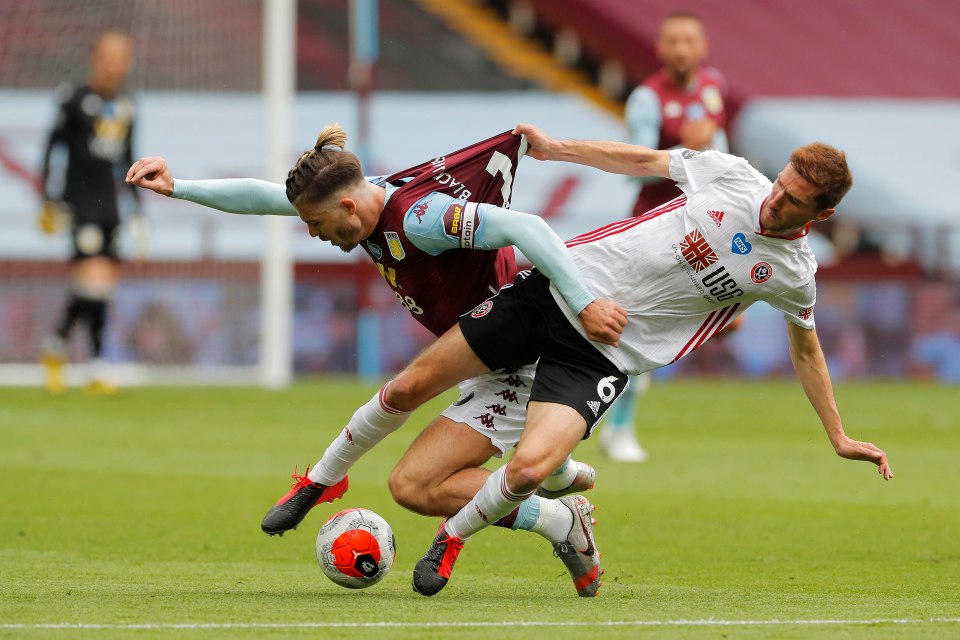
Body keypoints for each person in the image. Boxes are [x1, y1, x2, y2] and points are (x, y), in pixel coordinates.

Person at [295, 123, 892, 597]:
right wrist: (559, 149)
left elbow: (806, 349)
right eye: (780, 185)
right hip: (551, 293)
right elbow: (640, 160)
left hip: (602, 355)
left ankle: (455, 539)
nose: (775, 201)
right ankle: (323, 480)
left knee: (525, 471)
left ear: (821, 216)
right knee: (409, 412)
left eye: (793, 203)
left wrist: (838, 434)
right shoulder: (735, 177)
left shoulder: (792, 274)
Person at [126, 126, 613, 595]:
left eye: (315, 224)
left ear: (346, 205)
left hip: (525, 359)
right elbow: (263, 197)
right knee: (411, 487)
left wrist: (585, 302)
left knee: (407, 398)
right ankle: (559, 506)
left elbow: (527, 226)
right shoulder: (366, 199)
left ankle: (325, 480)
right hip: (483, 361)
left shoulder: (423, 218)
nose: (314, 235)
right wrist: (178, 188)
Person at [603, 11, 732, 461]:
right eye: (672, 41)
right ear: (660, 49)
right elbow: (635, 168)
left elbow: (723, 159)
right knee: (632, 326)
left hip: (697, 225)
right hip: (651, 226)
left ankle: (616, 422)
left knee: (720, 319)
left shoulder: (713, 87)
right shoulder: (647, 99)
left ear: (702, 47)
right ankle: (617, 428)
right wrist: (688, 150)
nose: (681, 49)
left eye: (689, 41)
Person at [39, 31, 146, 395]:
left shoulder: (127, 106)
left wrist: (138, 212)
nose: (116, 63)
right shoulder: (74, 100)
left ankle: (56, 344)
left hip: (110, 205)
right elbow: (50, 149)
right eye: (109, 55)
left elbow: (130, 160)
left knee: (98, 287)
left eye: (122, 56)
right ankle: (97, 366)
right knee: (95, 281)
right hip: (78, 203)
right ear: (96, 58)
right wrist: (48, 199)